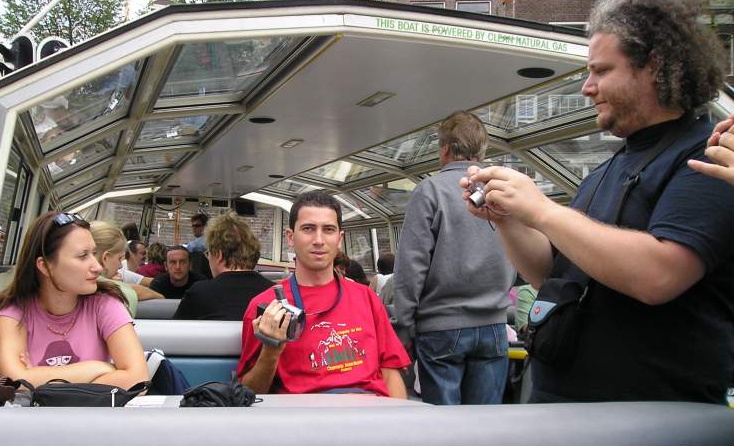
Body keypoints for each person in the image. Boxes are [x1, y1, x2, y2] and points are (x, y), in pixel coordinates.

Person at [462, 0, 734, 404]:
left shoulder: (708, 158)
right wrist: (509, 217)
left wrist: (544, 212)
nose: (587, 87)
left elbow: (659, 275)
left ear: (655, 67)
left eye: (602, 71)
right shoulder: (608, 169)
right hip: (572, 412)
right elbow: (551, 274)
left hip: (649, 420)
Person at [394, 110, 516, 405]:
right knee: (486, 424)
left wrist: (403, 328)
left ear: (445, 148)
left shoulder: (430, 191)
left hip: (441, 327)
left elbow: (411, 266)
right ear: (481, 150)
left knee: (445, 426)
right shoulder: (502, 190)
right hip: (495, 326)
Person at [238, 191, 410, 397]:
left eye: (328, 230)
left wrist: (399, 415)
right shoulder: (267, 306)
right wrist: (270, 352)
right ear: (290, 237)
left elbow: (390, 371)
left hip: (370, 410)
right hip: (306, 415)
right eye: (308, 229)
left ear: (339, 239)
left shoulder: (367, 298)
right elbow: (249, 394)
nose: (318, 240)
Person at [0, 211, 148, 388]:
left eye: (94, 253)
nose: (97, 267)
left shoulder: (106, 305)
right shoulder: (14, 314)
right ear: (45, 266)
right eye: (83, 256)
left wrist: (36, 379)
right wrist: (99, 368)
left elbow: (138, 379)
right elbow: (13, 381)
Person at [174, 211, 274, 320]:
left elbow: (175, 329)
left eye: (208, 254)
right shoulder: (274, 293)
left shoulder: (198, 293)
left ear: (219, 255)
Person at [89, 222, 163, 316]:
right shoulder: (122, 294)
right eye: (119, 258)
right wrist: (119, 287)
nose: (120, 266)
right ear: (105, 258)